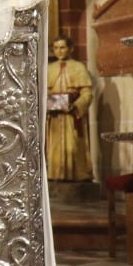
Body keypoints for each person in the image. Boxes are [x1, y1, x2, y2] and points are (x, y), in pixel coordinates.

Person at [46, 34, 94, 183]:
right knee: (54, 147)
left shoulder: (78, 67)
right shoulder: (49, 68)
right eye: (55, 48)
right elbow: (44, 92)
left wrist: (77, 105)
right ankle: (55, 175)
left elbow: (86, 93)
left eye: (62, 47)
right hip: (54, 117)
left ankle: (78, 175)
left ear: (70, 49)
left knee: (74, 146)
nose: (59, 51)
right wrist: (48, 103)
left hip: (72, 116)